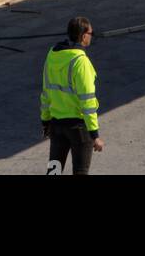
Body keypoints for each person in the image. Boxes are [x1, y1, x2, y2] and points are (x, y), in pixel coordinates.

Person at [40, 14, 104, 176]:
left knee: (54, 170)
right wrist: (94, 134)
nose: (92, 37)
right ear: (83, 36)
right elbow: (87, 101)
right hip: (78, 129)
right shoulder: (80, 61)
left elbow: (46, 92)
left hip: (56, 125)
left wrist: (45, 121)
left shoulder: (52, 55)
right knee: (80, 171)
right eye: (91, 33)